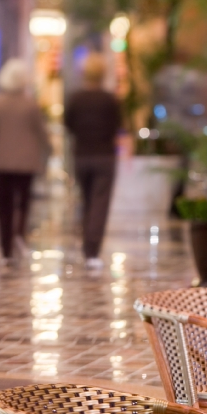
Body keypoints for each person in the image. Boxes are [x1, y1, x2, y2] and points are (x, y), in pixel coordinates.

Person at [0, 58, 50, 264]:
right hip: (26, 162)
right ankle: (19, 234)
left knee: (3, 207)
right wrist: (49, 150)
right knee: (23, 203)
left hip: (1, 162)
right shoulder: (30, 105)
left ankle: (6, 249)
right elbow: (41, 132)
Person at [64, 53, 122, 270]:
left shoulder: (75, 98)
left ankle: (87, 245)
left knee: (87, 200)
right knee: (100, 203)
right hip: (104, 155)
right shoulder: (109, 99)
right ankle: (92, 250)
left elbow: (68, 124)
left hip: (81, 154)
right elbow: (117, 125)